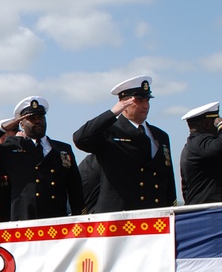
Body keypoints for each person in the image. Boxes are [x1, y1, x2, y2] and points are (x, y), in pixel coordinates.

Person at [0, 97, 84, 221]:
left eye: (41, 117)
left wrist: (79, 219)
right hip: (24, 221)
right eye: (31, 119)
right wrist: (2, 127)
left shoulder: (62, 149)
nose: (37, 121)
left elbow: (75, 189)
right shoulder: (12, 147)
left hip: (57, 220)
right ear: (21, 124)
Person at [73, 75, 177, 213]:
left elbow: (167, 177)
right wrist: (112, 113)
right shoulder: (109, 131)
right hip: (121, 216)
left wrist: (172, 209)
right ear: (124, 103)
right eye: (139, 101)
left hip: (155, 215)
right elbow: (81, 139)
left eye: (147, 100)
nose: (145, 105)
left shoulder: (160, 136)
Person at [180, 101, 222, 204]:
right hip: (206, 213)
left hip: (205, 211)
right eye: (215, 122)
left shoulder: (195, 145)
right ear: (206, 124)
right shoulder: (200, 143)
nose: (217, 127)